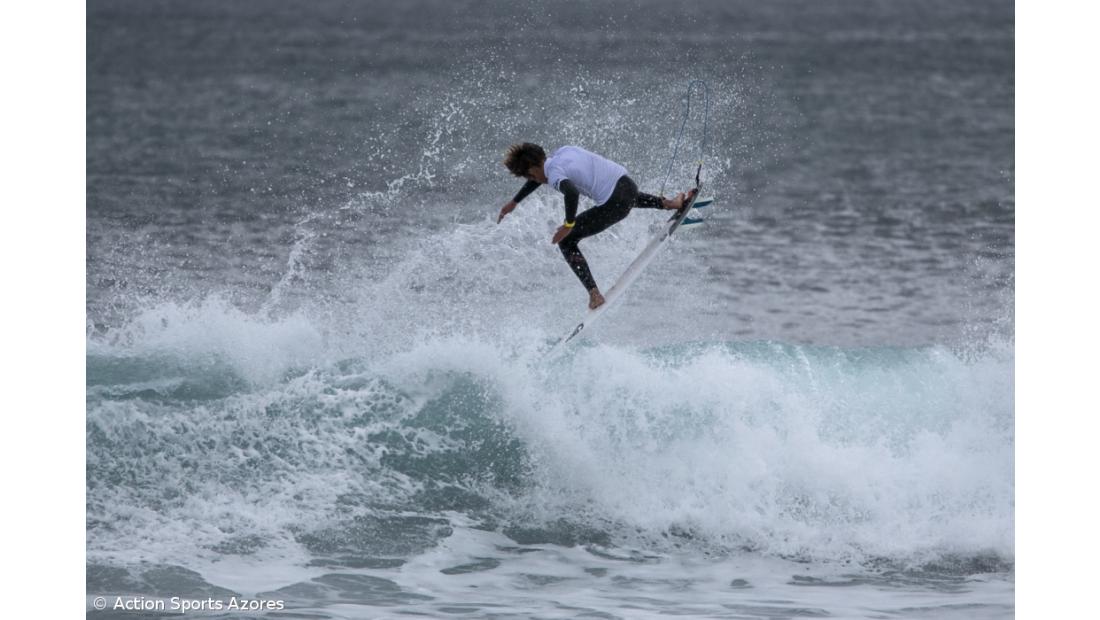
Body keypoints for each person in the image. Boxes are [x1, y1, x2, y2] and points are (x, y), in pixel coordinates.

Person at [497, 143, 693, 309]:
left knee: (566, 240)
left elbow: (571, 192)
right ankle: (669, 203)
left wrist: (568, 224)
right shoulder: (564, 152)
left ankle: (594, 293)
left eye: (529, 177)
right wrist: (515, 201)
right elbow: (546, 176)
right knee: (622, 196)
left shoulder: (555, 174)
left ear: (531, 171)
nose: (533, 181)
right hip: (628, 186)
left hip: (615, 205)